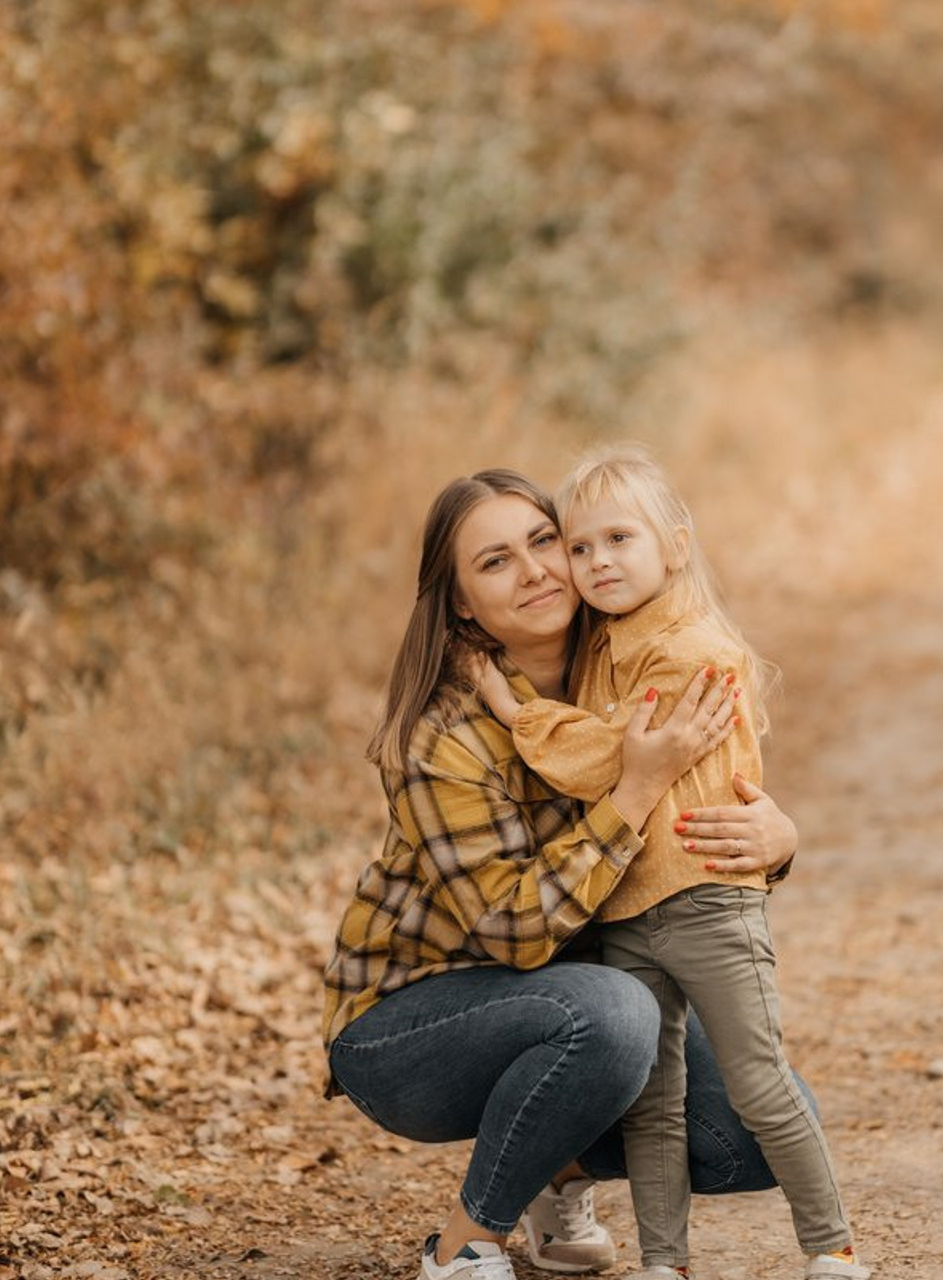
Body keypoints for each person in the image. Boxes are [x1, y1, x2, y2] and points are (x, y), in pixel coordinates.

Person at [323, 468, 813, 1280]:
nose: (538, 571)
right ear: (461, 606)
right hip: (408, 1025)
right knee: (619, 1013)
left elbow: (706, 809)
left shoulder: (627, 665)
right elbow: (514, 932)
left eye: (545, 542)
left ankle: (557, 1168)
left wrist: (778, 837)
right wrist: (636, 787)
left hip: (569, 997)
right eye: (495, 562)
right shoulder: (443, 735)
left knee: (762, 1129)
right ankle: (465, 1243)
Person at [474, 447, 868, 1280]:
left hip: (706, 901)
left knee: (759, 1085)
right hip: (627, 913)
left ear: (675, 547)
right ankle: (665, 1263)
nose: (596, 562)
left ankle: (832, 1248)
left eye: (619, 538)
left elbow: (611, 759)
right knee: (653, 1107)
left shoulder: (695, 648)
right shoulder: (603, 647)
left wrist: (517, 711)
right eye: (580, 548)